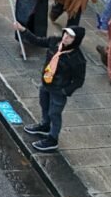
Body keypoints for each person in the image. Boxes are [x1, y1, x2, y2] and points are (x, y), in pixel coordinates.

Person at [13, 24, 87, 152]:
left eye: (70, 37)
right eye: (66, 34)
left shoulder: (78, 59)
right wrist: (23, 30)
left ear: (76, 40)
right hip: (46, 83)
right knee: (44, 105)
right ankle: (44, 126)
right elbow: (37, 41)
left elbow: (79, 80)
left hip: (58, 90)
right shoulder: (54, 42)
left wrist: (64, 91)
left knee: (54, 113)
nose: (66, 38)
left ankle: (53, 139)